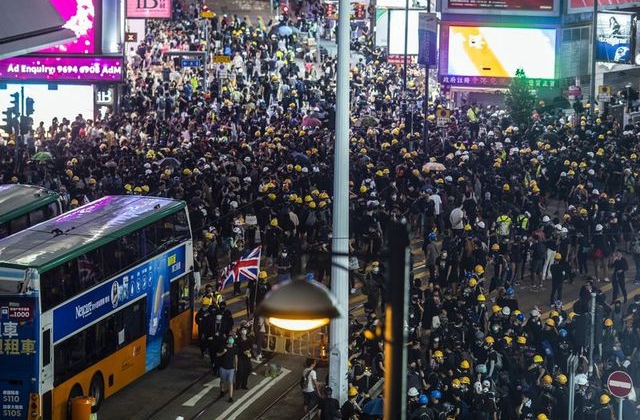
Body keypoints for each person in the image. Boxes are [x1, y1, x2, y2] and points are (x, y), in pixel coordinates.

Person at [217, 336, 238, 402]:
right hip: (223, 367)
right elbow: (217, 355)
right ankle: (222, 391)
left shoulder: (235, 348)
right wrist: (223, 352)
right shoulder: (223, 347)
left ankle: (230, 397)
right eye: (230, 339)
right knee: (222, 381)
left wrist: (236, 366)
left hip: (231, 369)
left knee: (230, 382)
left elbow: (236, 357)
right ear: (227, 340)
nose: (231, 340)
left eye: (232, 339)